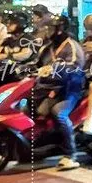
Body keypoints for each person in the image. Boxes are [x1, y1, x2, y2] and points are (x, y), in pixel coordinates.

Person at [36, 15, 85, 170]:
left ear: (60, 29)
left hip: (70, 90)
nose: (47, 32)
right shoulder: (48, 47)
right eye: (47, 28)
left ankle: (70, 154)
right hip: (50, 89)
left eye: (51, 29)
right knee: (31, 107)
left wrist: (53, 68)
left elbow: (74, 67)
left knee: (59, 113)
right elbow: (36, 63)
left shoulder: (71, 46)